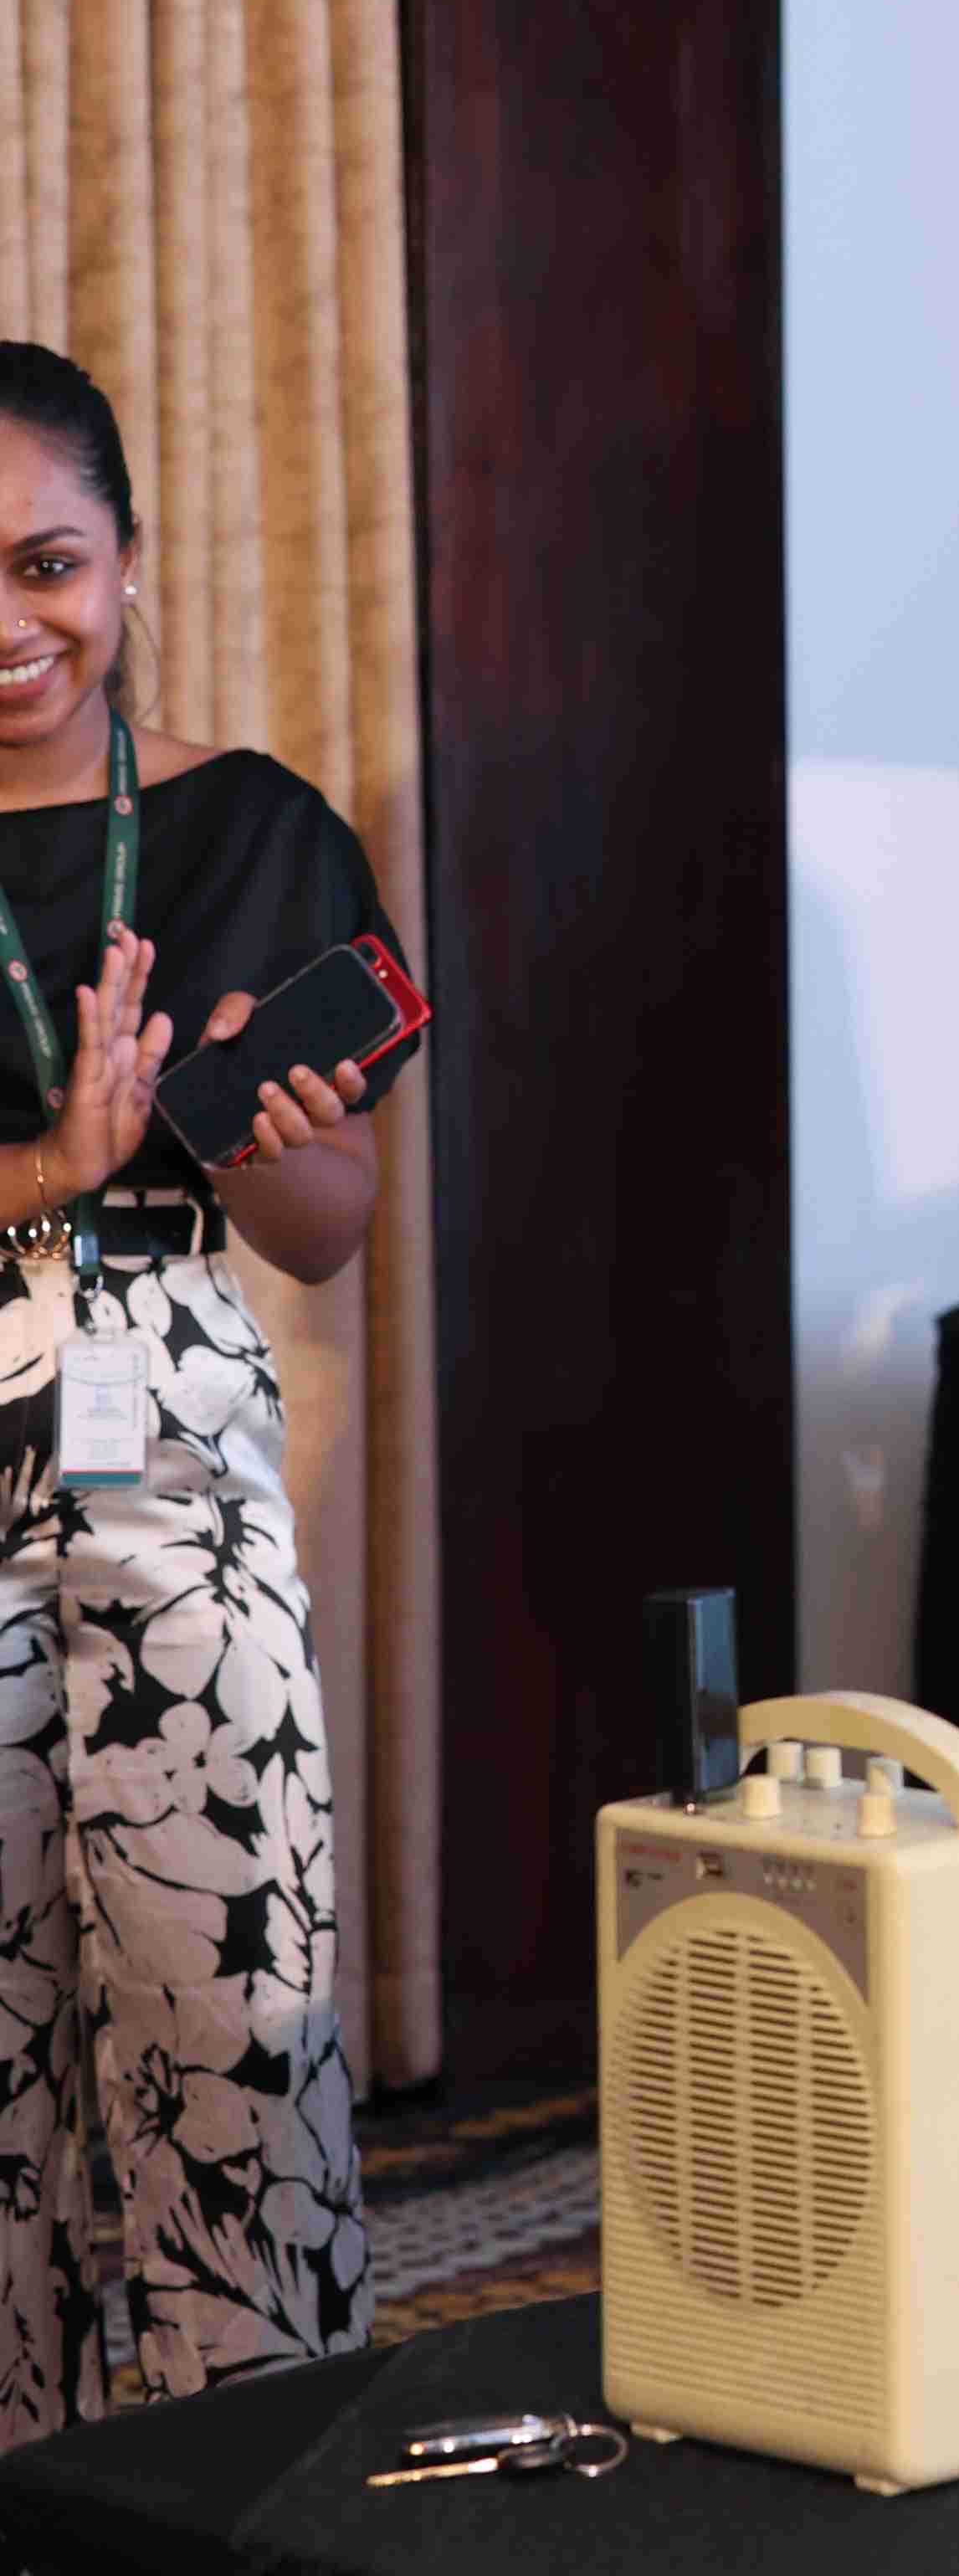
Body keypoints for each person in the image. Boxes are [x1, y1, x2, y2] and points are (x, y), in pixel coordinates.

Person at [0, 344, 403, 2442]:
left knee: (228, 2003)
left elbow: (329, 1232)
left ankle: (255, 2489)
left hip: (170, 1424)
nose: (12, 624)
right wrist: (45, 1168)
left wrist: (265, 1144)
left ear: (129, 560)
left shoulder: (250, 827)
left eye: (46, 561)